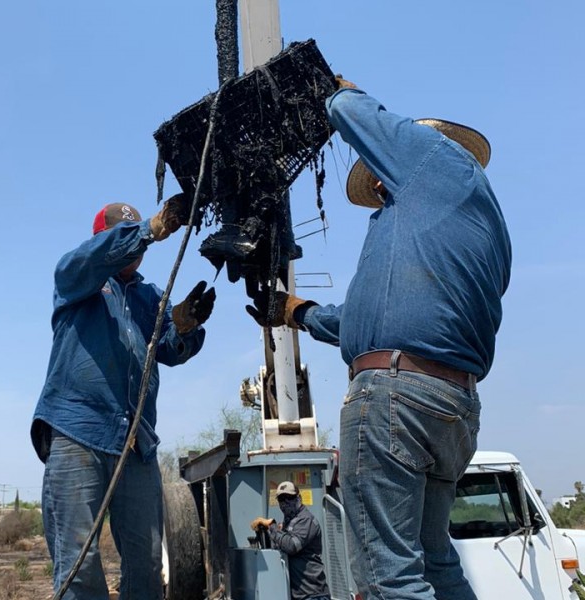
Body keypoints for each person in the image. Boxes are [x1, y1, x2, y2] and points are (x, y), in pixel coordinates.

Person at [246, 76, 511, 600]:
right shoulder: (468, 223)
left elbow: (359, 114)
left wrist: (329, 85)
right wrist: (299, 313)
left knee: (390, 575)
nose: (381, 189)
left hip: (397, 397)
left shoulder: (437, 163)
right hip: (449, 404)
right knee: (435, 562)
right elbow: (373, 322)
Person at [31, 197, 216, 600]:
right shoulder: (78, 278)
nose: (135, 249)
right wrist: (150, 228)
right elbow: (92, 259)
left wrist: (184, 325)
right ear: (103, 241)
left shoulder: (149, 298)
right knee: (78, 564)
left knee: (149, 565)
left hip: (136, 444)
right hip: (78, 432)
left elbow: (167, 348)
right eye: (121, 239)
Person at [250, 480, 330, 600]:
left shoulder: (306, 520)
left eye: (289, 497)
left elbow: (291, 546)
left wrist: (271, 525)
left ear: (299, 497)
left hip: (313, 594)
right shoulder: (288, 523)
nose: (286, 502)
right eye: (282, 499)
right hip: (297, 594)